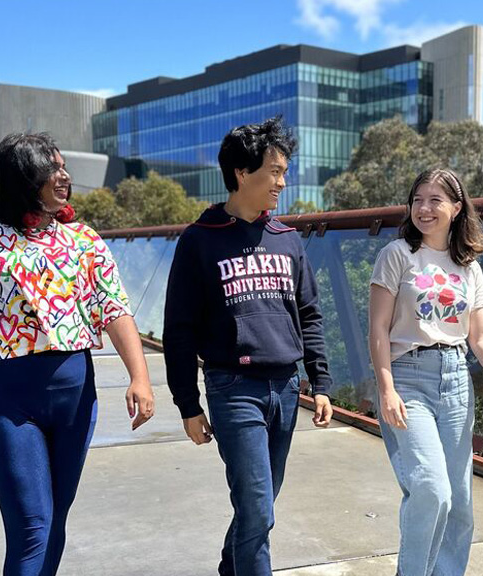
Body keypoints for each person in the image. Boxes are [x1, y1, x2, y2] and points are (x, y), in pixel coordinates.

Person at [0, 132, 155, 576]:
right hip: (6, 400)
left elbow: (114, 307)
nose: (64, 176)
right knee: (31, 525)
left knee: (54, 521)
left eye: (63, 166)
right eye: (51, 168)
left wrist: (140, 376)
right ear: (22, 177)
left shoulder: (84, 241)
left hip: (75, 396)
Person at [162, 117, 334, 576]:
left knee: (258, 507)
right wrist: (187, 404)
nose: (282, 181)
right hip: (233, 388)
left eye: (284, 171)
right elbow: (178, 330)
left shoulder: (288, 239)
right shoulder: (199, 240)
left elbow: (310, 314)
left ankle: (228, 568)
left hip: (286, 388)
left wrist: (321, 382)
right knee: (258, 510)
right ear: (242, 173)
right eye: (275, 171)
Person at [368, 168, 483, 576]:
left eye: (435, 200)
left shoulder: (468, 267)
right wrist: (386, 388)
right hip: (408, 378)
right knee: (430, 489)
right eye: (417, 199)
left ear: (456, 208)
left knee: (458, 501)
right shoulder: (396, 255)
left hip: (456, 379)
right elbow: (377, 331)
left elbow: (482, 336)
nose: (424, 208)